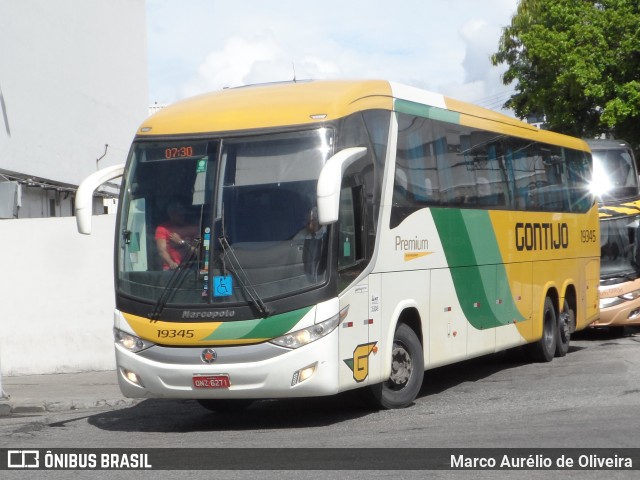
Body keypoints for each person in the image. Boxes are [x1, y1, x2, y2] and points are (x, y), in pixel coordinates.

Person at [155, 202, 199, 270]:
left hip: (190, 268)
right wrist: (171, 263)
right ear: (172, 215)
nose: (183, 217)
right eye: (180, 215)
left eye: (184, 214)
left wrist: (182, 242)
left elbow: (198, 252)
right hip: (172, 270)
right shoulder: (163, 228)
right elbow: (162, 250)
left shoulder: (194, 228)